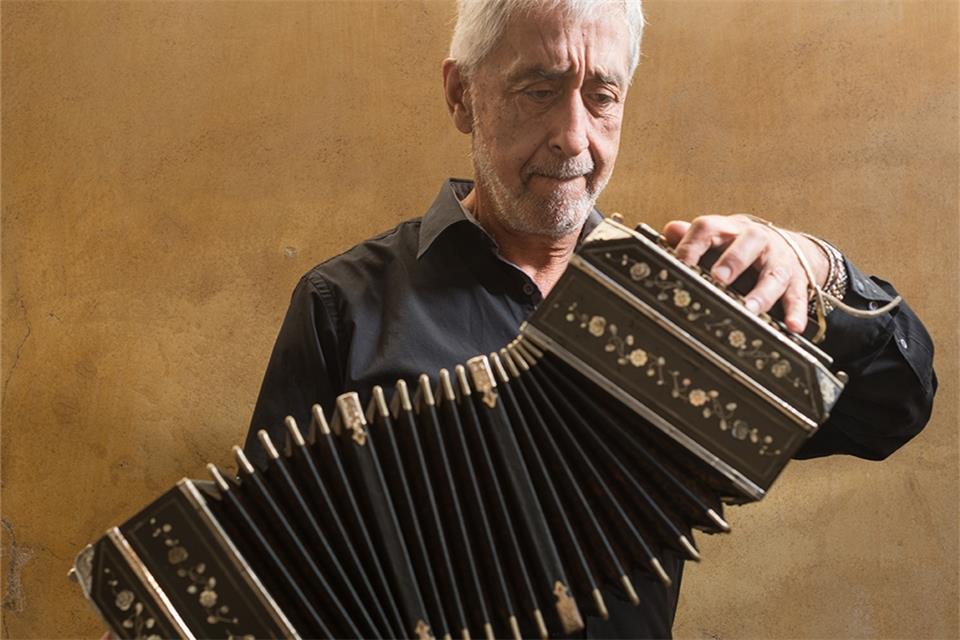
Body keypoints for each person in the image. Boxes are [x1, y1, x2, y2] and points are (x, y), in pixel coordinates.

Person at [244, 1, 937, 637]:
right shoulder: (342, 305)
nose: (573, 138)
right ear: (461, 95)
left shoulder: (685, 312)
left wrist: (814, 263)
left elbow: (893, 407)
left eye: (602, 96)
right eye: (538, 90)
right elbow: (271, 580)